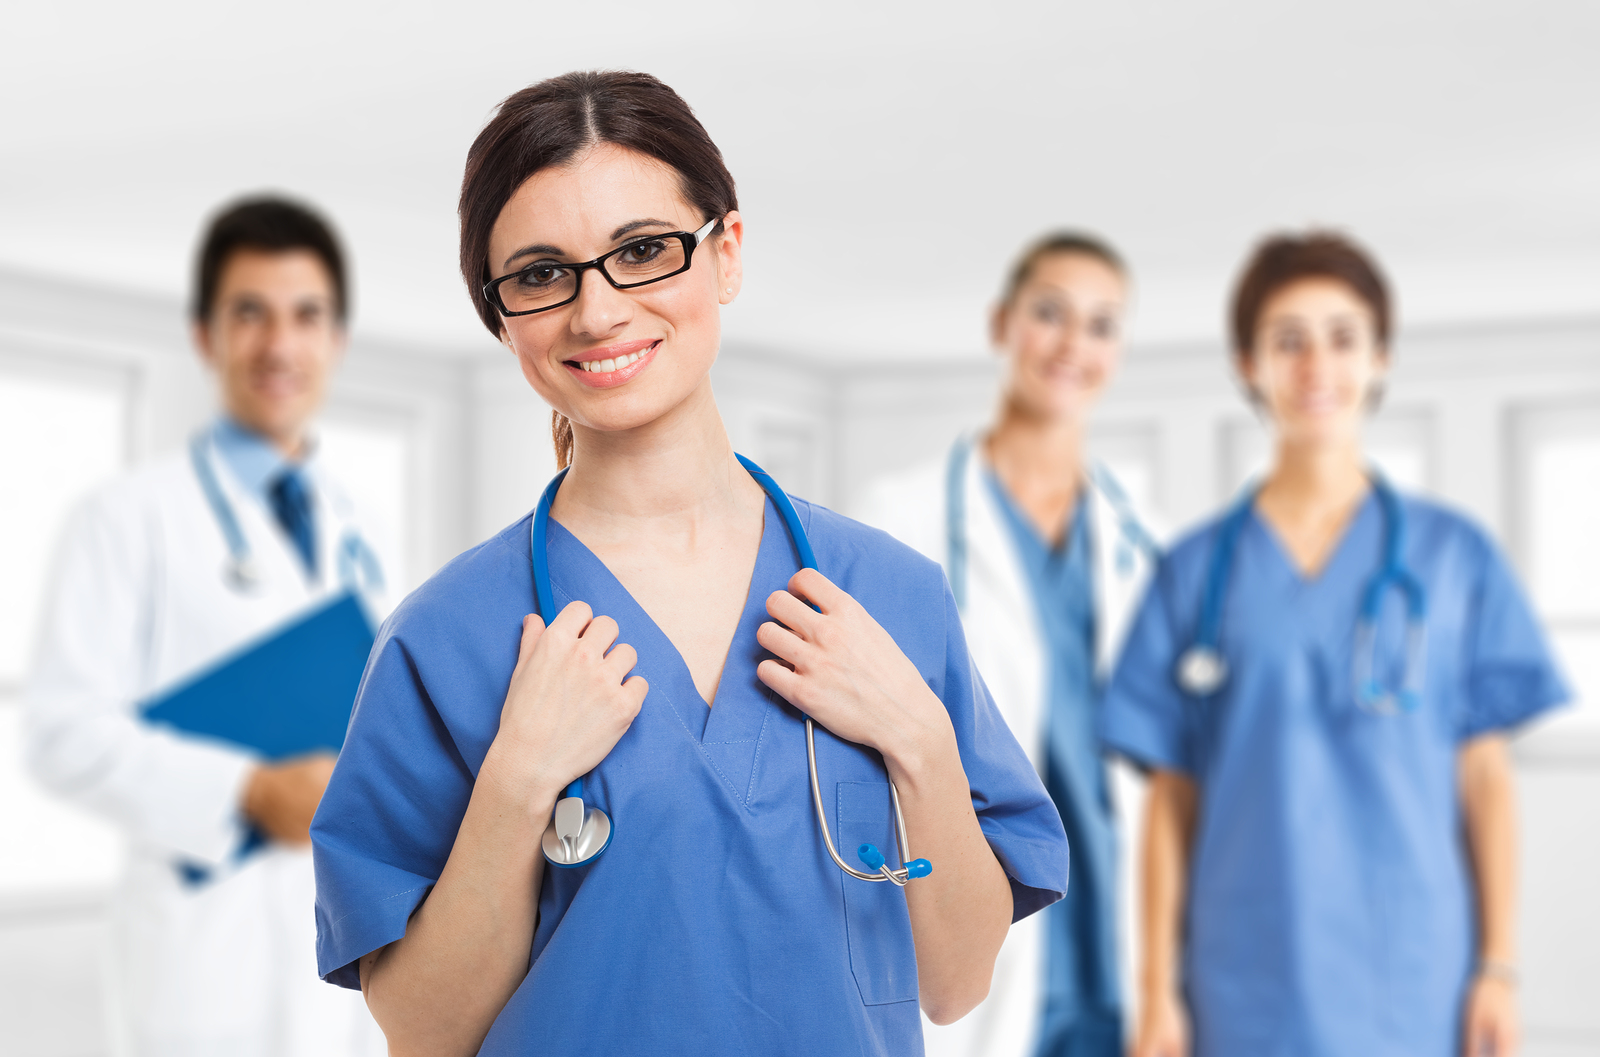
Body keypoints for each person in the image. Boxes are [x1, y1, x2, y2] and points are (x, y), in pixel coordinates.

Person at [308, 70, 1070, 1057]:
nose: (596, 310)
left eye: (641, 251)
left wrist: (917, 738)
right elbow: (423, 1033)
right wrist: (517, 781)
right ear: (499, 317)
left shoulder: (889, 594)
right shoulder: (444, 639)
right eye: (541, 274)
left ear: (726, 253)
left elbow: (956, 983)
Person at [1101, 232, 1567, 1057]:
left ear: (1381, 358)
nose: (1318, 365)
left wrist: (1499, 964)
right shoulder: (1194, 571)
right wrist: (1153, 991)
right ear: (1248, 363)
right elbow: (1169, 804)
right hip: (1241, 967)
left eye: (1343, 337)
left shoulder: (1454, 557)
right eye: (1289, 340)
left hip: (1414, 964)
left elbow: (1485, 777)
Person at [25, 197, 392, 1057]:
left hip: (339, 953)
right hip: (200, 961)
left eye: (306, 316)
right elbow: (61, 733)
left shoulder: (360, 526)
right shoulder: (126, 517)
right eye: (249, 313)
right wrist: (246, 791)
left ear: (336, 340)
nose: (279, 345)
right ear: (205, 335)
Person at [855, 233, 1158, 1057]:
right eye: (1050, 313)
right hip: (980, 941)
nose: (1072, 344)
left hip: (1119, 954)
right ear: (1002, 324)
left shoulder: (1144, 545)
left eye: (1101, 324)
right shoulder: (900, 521)